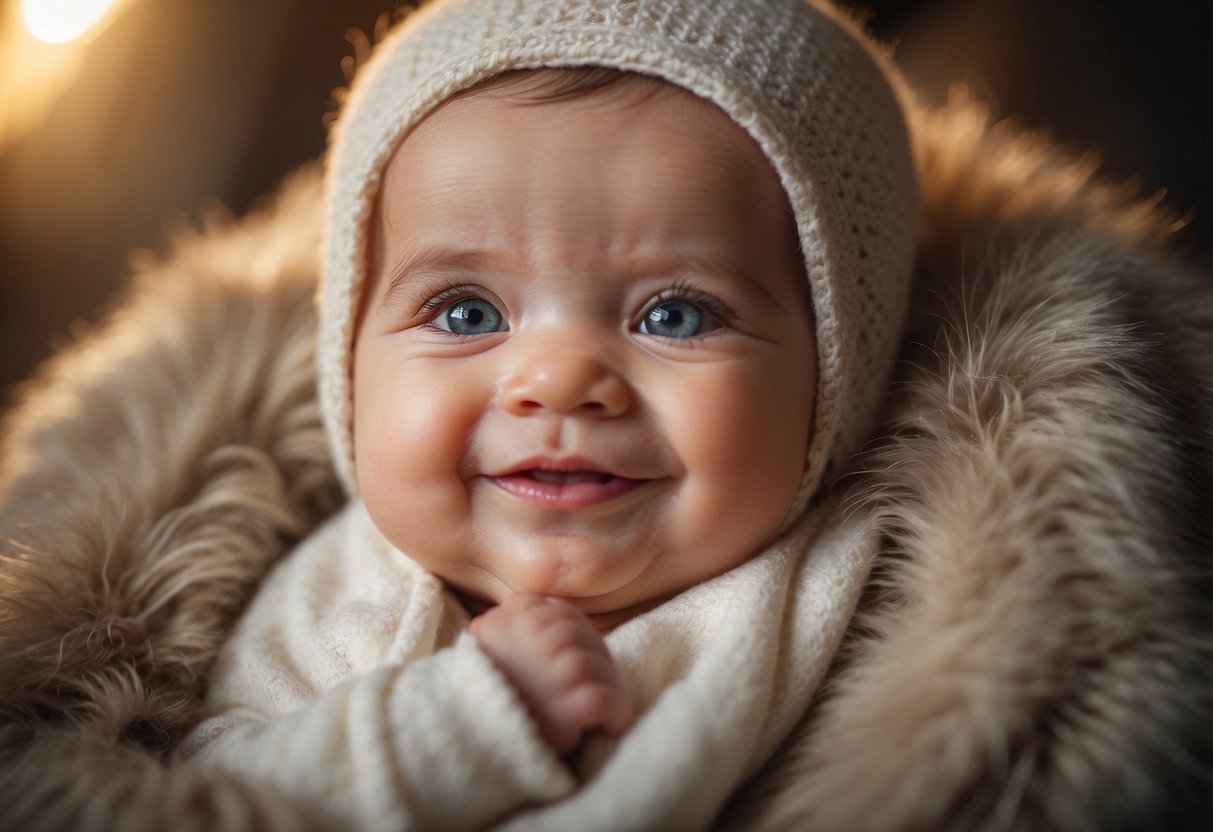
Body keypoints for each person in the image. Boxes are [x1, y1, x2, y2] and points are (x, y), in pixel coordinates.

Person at [176, 0, 918, 827]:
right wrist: (460, 719)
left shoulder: (885, 601)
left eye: (675, 315)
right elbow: (210, 802)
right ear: (347, 361)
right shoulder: (335, 598)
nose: (558, 383)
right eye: (466, 314)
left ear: (839, 371)